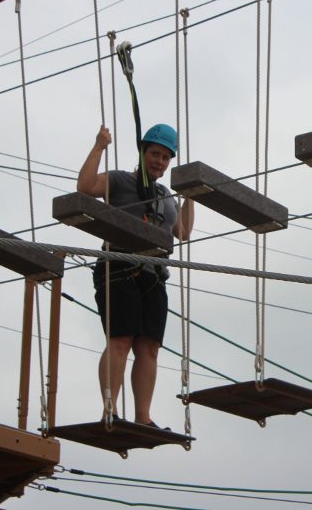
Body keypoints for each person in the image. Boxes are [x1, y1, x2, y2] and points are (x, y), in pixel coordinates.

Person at [77, 124, 194, 428]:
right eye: (155, 154)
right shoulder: (120, 181)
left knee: (149, 347)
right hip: (118, 266)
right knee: (120, 339)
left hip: (154, 273)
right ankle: (109, 410)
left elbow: (182, 232)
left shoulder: (166, 196)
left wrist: (190, 195)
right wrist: (99, 146)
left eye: (166, 157)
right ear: (143, 153)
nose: (160, 161)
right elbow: (85, 186)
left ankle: (143, 416)